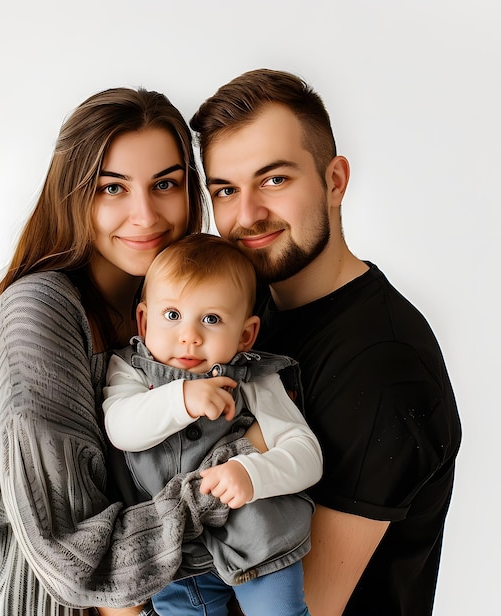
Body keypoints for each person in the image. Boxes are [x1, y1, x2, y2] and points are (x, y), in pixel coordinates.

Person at [0, 87, 254, 616]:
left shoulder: (179, 317)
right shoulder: (38, 312)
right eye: (113, 188)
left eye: (166, 185)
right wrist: (223, 482)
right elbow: (76, 560)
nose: (145, 214)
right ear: (74, 195)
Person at [190, 68, 462, 616]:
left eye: (274, 180)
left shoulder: (384, 366)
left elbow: (301, 607)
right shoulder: (249, 312)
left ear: (334, 180)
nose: (247, 215)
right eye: (225, 189)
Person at [103, 233, 323, 616]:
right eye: (172, 315)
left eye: (211, 318)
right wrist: (180, 399)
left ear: (245, 334)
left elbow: (306, 454)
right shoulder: (131, 371)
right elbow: (121, 428)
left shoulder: (254, 378)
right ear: (143, 318)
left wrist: (251, 473)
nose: (189, 336)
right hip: (174, 552)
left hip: (258, 539)